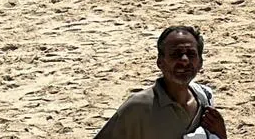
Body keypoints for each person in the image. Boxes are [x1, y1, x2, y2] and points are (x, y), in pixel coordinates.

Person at [95, 26, 227, 139]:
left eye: (191, 54)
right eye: (176, 54)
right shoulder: (139, 107)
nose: (184, 60)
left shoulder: (204, 101)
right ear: (160, 62)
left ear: (200, 63)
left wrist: (221, 134)